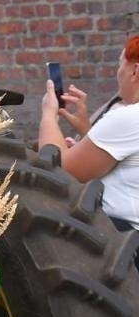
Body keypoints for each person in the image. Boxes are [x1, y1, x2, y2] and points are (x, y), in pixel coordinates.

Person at [38, 37, 139, 229]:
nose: (118, 73)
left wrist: (49, 114)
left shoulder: (129, 117)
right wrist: (86, 133)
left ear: (135, 71)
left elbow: (59, 172)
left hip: (124, 237)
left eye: (120, 65)